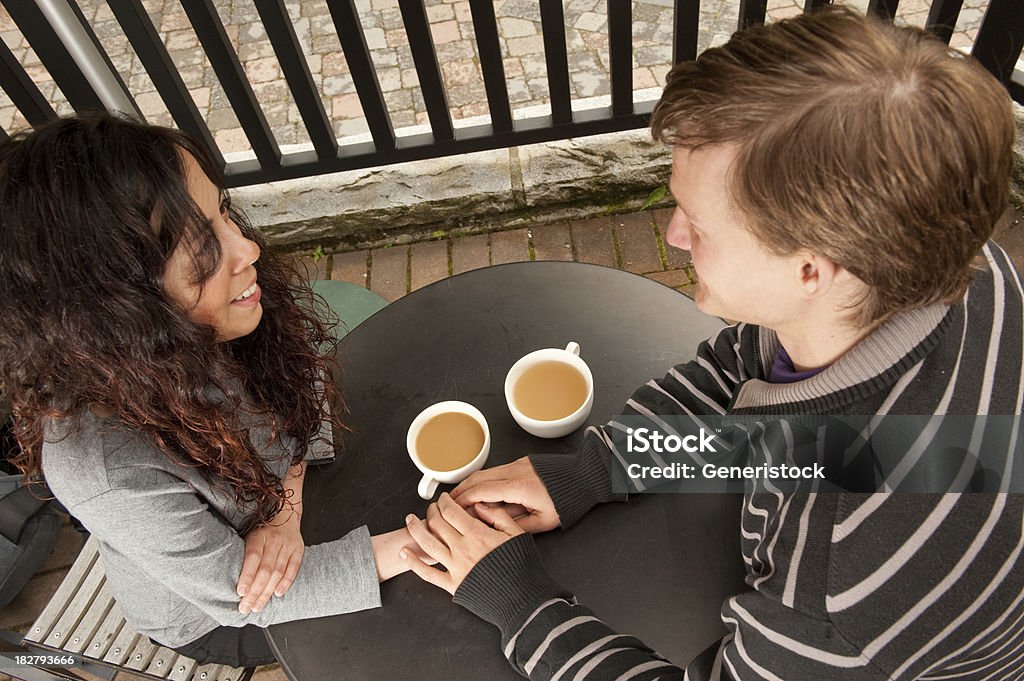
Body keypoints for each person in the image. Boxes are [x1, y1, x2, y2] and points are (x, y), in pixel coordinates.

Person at [398, 7, 1024, 680]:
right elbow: (755, 371)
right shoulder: (955, 255)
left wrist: (521, 600)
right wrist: (593, 470)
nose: (671, 236)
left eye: (697, 222)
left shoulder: (836, 587)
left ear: (812, 269)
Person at [0, 113, 421, 667]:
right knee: (412, 612)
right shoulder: (103, 470)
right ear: (114, 310)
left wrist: (284, 509)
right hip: (215, 614)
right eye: (203, 252)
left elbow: (305, 382)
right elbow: (240, 596)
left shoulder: (222, 313)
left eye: (224, 212)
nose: (247, 249)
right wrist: (421, 546)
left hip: (281, 512)